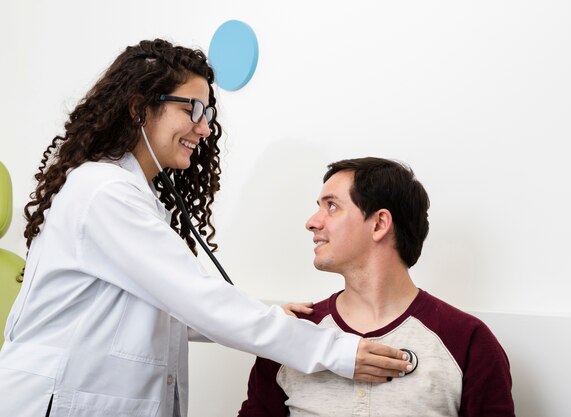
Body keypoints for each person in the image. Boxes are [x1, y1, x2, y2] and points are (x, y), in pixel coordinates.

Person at [0, 40, 412, 417]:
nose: (204, 127)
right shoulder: (103, 192)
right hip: (58, 401)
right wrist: (335, 351)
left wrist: (270, 317)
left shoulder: (134, 197)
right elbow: (196, 299)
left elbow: (163, 307)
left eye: (208, 114)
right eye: (191, 110)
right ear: (138, 108)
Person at [238, 157, 515, 417]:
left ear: (379, 223)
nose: (312, 222)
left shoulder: (468, 341)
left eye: (331, 206)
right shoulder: (292, 333)